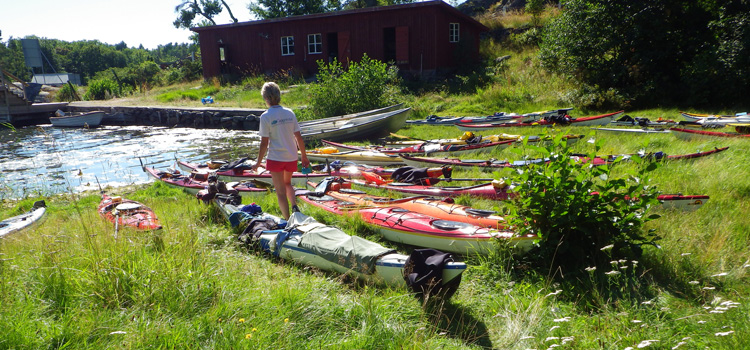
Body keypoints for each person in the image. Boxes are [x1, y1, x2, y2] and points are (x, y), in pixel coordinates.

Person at [250, 82, 310, 219]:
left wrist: (258, 162)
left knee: (280, 192)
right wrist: (304, 157)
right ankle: (294, 206)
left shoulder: (265, 117)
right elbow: (299, 138)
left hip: (276, 158)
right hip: (291, 156)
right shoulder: (290, 113)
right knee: (287, 183)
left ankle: (288, 220)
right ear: (279, 96)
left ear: (265, 98)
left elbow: (264, 143)